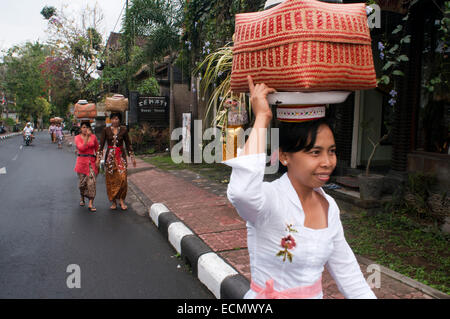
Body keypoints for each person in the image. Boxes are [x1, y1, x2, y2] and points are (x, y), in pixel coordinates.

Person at [224, 76, 376, 299]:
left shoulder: (329, 207)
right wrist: (262, 119)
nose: (327, 162)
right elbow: (241, 192)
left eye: (331, 151)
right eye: (315, 152)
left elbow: (350, 277)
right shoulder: (269, 200)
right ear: (284, 156)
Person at [97, 112, 136, 211]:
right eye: (113, 119)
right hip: (110, 159)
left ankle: (122, 200)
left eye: (117, 119)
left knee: (123, 178)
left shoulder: (123, 130)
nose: (115, 120)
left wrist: (132, 157)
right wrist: (98, 157)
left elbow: (128, 144)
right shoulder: (105, 130)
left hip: (121, 157)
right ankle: (114, 201)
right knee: (111, 180)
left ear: (120, 120)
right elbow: (101, 145)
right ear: (110, 120)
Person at [74, 121, 99, 212]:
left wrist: (98, 160)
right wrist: (87, 137)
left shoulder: (94, 137)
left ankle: (91, 203)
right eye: (83, 127)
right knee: (82, 185)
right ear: (81, 129)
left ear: (90, 128)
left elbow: (97, 149)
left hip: (92, 163)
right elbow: (81, 148)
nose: (85, 129)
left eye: (87, 127)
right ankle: (82, 198)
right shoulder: (77, 138)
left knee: (91, 183)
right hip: (81, 163)